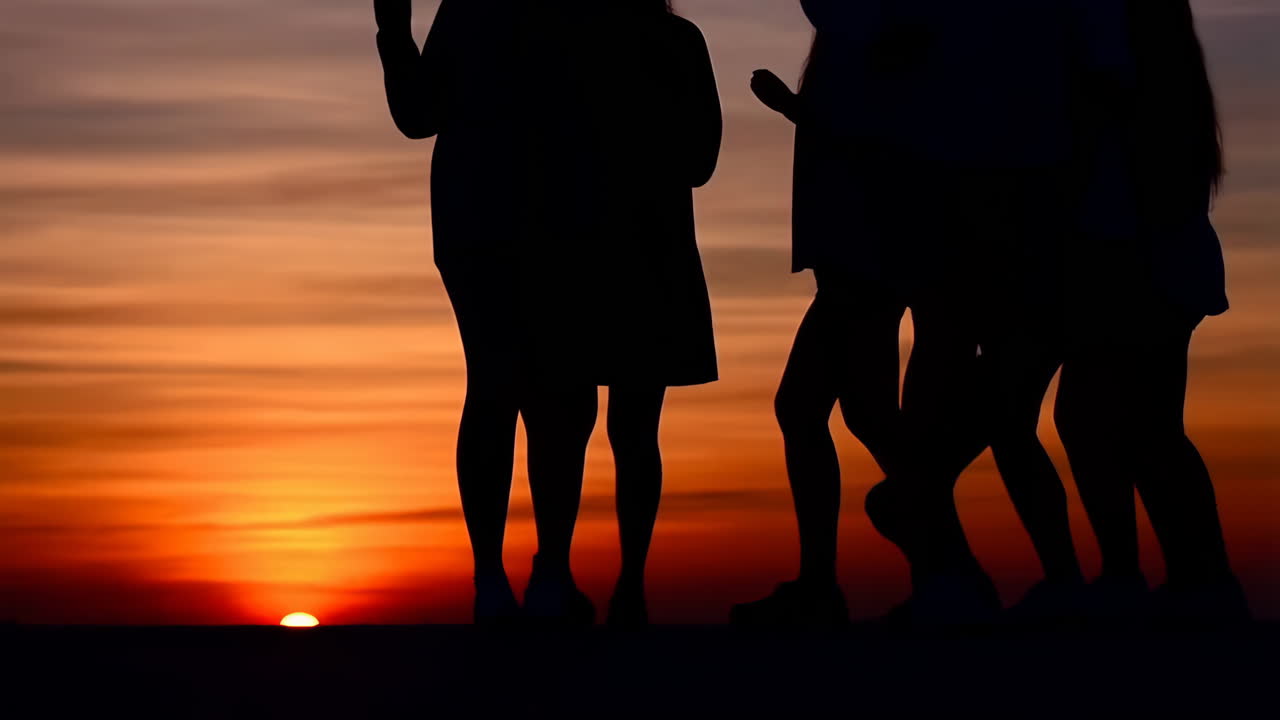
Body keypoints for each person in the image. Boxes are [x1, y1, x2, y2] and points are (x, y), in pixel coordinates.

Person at [375, 0, 598, 625]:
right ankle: (534, 573)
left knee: (511, 388)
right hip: (541, 219)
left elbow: (418, 115)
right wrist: (394, 34)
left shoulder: (475, 9)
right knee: (548, 391)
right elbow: (419, 116)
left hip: (497, 217)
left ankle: (508, 577)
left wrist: (394, 33)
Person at [1055, 0, 1250, 625]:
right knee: (1143, 426)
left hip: (1135, 252)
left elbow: (1102, 117)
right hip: (1152, 252)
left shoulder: (1118, 38)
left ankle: (1147, 577)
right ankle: (1195, 577)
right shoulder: (1159, 51)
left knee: (1108, 421)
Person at [567, 1, 723, 627]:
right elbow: (701, 161)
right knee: (628, 428)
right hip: (641, 246)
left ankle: (589, 577)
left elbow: (699, 161)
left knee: (585, 421)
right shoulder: (677, 40)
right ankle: (616, 582)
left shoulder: (573, 37)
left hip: (591, 247)